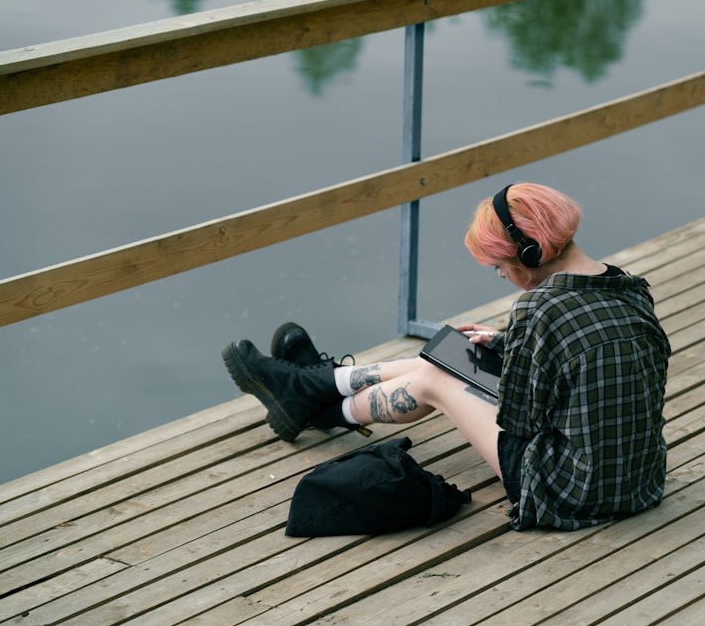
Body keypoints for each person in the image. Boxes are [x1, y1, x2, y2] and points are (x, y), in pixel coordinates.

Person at [222, 183, 671, 530]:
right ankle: (316, 390)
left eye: (498, 266)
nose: (501, 276)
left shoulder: (541, 308)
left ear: (528, 252)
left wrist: (501, 358)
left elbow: (524, 421)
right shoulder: (629, 288)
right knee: (456, 355)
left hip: (570, 491)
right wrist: (506, 345)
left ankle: (314, 398)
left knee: (437, 379)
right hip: (638, 480)